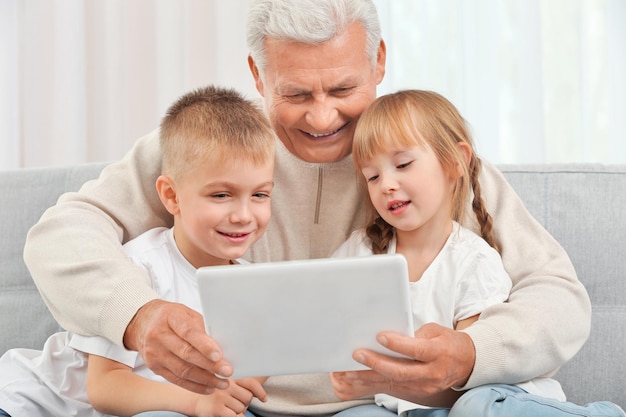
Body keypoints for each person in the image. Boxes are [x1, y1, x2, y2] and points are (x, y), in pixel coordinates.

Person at [22, 0, 592, 416]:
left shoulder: (421, 158)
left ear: (379, 64)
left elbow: (558, 296)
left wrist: (472, 353)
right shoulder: (217, 146)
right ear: (257, 76)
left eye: (343, 90)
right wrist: (138, 317)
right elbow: (60, 237)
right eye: (296, 94)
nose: (322, 119)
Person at [329, 89, 624, 417]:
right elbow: (319, 308)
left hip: (482, 397)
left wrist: (383, 384)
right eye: (373, 176)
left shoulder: (473, 260)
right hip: (409, 408)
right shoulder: (361, 253)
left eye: (403, 164)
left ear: (455, 162)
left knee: (475, 408)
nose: (386, 184)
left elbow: (460, 382)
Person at [0, 85, 274, 417]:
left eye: (260, 195)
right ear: (171, 196)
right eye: (220, 195)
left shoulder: (249, 285)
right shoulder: (140, 267)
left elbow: (241, 374)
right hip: (26, 404)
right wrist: (197, 403)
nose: (244, 215)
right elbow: (105, 388)